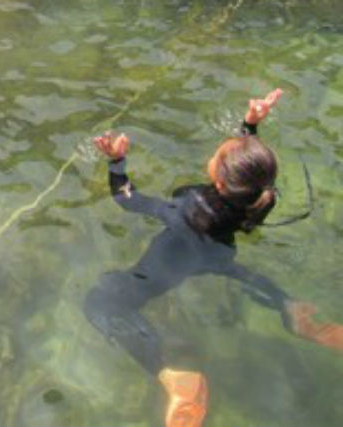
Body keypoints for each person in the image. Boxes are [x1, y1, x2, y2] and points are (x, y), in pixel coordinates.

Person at [85, 89, 343, 427]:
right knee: (243, 274)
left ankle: (171, 374)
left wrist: (117, 163)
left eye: (219, 154)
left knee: (101, 302)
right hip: (217, 253)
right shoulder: (262, 198)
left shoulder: (184, 207)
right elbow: (248, 170)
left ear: (219, 181)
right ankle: (290, 309)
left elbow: (127, 199)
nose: (219, 149)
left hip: (171, 261)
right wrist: (250, 124)